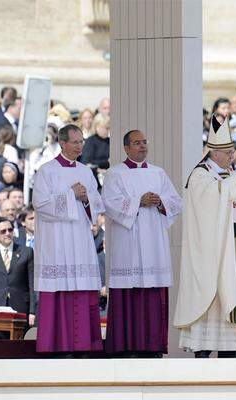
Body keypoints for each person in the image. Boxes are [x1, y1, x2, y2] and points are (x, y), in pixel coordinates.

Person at [174, 116, 236, 358]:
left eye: (231, 151)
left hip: (233, 244)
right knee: (212, 291)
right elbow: (211, 203)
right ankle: (204, 347)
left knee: (234, 287)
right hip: (212, 250)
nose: (232, 155)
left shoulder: (229, 175)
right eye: (228, 151)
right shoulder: (200, 175)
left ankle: (231, 348)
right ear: (214, 153)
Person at [102, 129, 183, 357]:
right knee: (130, 292)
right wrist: (139, 201)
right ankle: (126, 347)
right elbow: (109, 204)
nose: (143, 146)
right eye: (137, 143)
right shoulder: (115, 174)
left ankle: (153, 346)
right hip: (127, 244)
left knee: (153, 294)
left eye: (144, 142)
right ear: (126, 148)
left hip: (154, 242)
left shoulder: (158, 173)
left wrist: (160, 202)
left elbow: (176, 202)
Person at [32, 124, 105, 355]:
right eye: (75, 142)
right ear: (62, 143)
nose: (80, 145)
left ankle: (83, 345)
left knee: (81, 288)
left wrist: (85, 200)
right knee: (59, 289)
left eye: (82, 141)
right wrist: (70, 195)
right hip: (57, 242)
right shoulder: (46, 171)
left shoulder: (85, 171)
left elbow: (97, 202)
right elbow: (40, 204)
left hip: (80, 240)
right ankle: (56, 345)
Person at [0, 217, 35, 337]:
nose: (7, 233)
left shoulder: (26, 252)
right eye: (3, 231)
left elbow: (32, 284)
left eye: (10, 230)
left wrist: (32, 311)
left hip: (19, 308)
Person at [80, 113, 110, 187]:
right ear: (96, 127)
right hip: (95, 179)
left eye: (108, 127)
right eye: (103, 127)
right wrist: (102, 167)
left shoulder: (110, 141)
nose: (106, 130)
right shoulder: (90, 141)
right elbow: (86, 163)